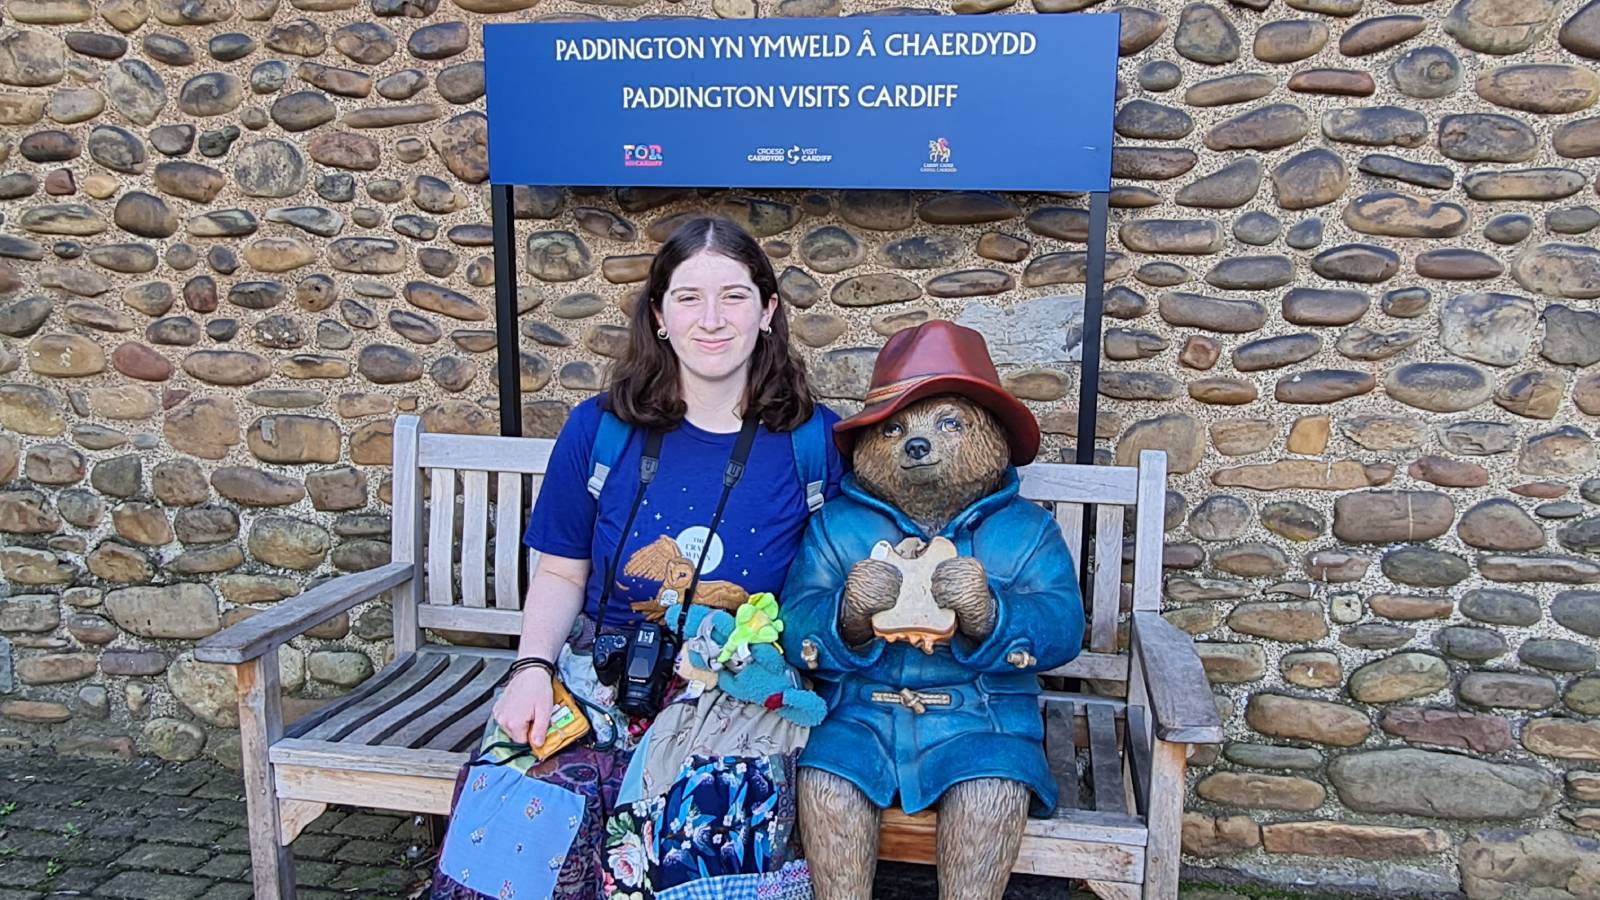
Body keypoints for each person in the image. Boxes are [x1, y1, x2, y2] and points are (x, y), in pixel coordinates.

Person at [435, 215, 845, 900]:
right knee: (514, 826)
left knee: (699, 843)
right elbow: (561, 570)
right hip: (599, 676)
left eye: (734, 296)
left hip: (737, 691)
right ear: (658, 315)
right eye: (688, 297)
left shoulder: (814, 442)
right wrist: (531, 670)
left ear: (768, 310)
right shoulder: (599, 428)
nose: (711, 319)